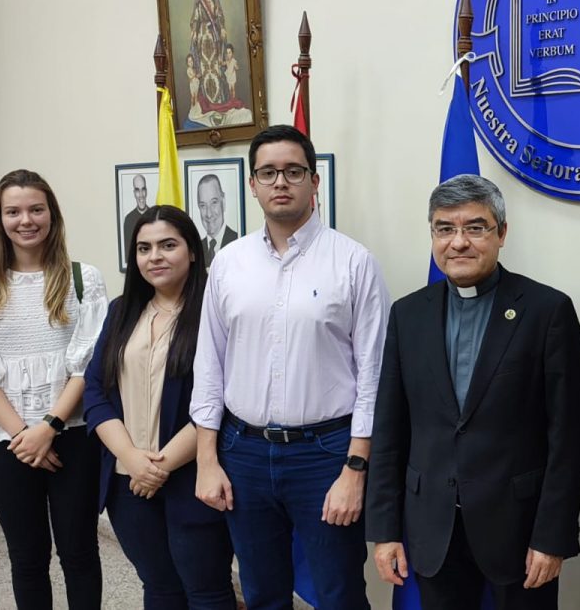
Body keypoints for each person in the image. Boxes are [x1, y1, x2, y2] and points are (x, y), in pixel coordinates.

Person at [190, 124, 390, 610]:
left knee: (339, 594)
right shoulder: (228, 264)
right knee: (261, 594)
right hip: (244, 453)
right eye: (269, 172)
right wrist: (207, 459)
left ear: (314, 181)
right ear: (253, 184)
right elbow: (210, 366)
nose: (281, 182)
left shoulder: (354, 263)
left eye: (294, 171)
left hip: (325, 456)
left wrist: (355, 469)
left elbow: (374, 376)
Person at [366, 174, 580, 610]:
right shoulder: (408, 314)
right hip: (432, 530)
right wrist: (385, 530)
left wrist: (552, 536)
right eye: (444, 228)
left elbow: (568, 439)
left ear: (501, 233)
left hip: (520, 531)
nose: (459, 242)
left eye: (475, 227)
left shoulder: (547, 311)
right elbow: (390, 430)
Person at [0, 169, 108, 610]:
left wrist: (49, 427)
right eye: (13, 211)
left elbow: (88, 363)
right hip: (7, 441)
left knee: (79, 553)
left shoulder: (82, 279)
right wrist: (25, 435)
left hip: (72, 435)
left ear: (52, 215)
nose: (26, 220)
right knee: (28, 558)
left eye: (36, 209)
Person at [83, 205, 236, 609]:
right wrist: (132, 459)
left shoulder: (214, 312)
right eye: (144, 248)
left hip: (192, 477)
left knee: (207, 590)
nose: (155, 257)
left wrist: (160, 466)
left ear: (191, 251)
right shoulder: (120, 312)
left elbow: (222, 398)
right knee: (159, 587)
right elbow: (95, 391)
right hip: (127, 480)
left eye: (168, 245)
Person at [195, 173, 238, 267]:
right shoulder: (196, 249)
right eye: (203, 205)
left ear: (223, 202)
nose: (209, 214)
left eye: (214, 203)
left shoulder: (237, 240)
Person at [123, 173, 150, 260]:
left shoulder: (155, 217)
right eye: (137, 190)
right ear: (134, 193)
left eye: (143, 189)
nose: (141, 195)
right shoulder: (128, 220)